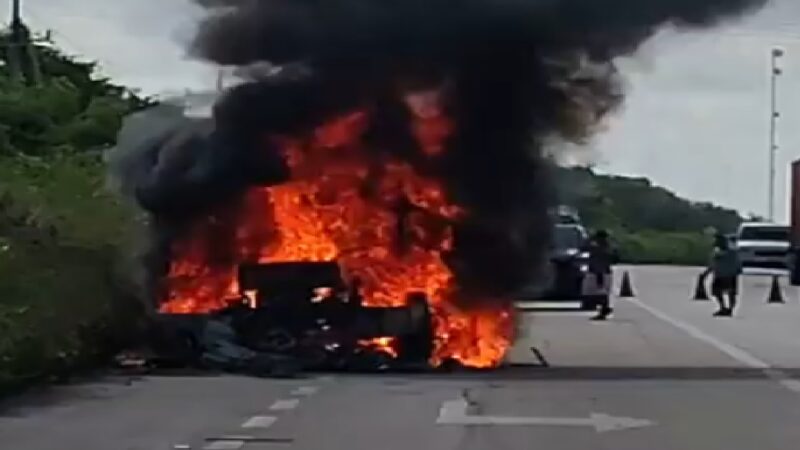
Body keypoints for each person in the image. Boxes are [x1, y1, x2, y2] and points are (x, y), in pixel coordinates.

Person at [582, 229, 620, 321]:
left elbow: (584, 247)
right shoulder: (607, 248)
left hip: (599, 273)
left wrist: (590, 239)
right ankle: (604, 309)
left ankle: (604, 310)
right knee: (602, 294)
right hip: (603, 273)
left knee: (598, 293)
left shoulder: (598, 248)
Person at [702, 233, 742, 317]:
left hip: (722, 275)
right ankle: (728, 309)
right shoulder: (733, 251)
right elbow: (738, 262)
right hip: (730, 274)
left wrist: (706, 273)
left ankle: (724, 308)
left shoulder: (718, 252)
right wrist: (738, 270)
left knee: (720, 292)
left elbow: (713, 264)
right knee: (730, 293)